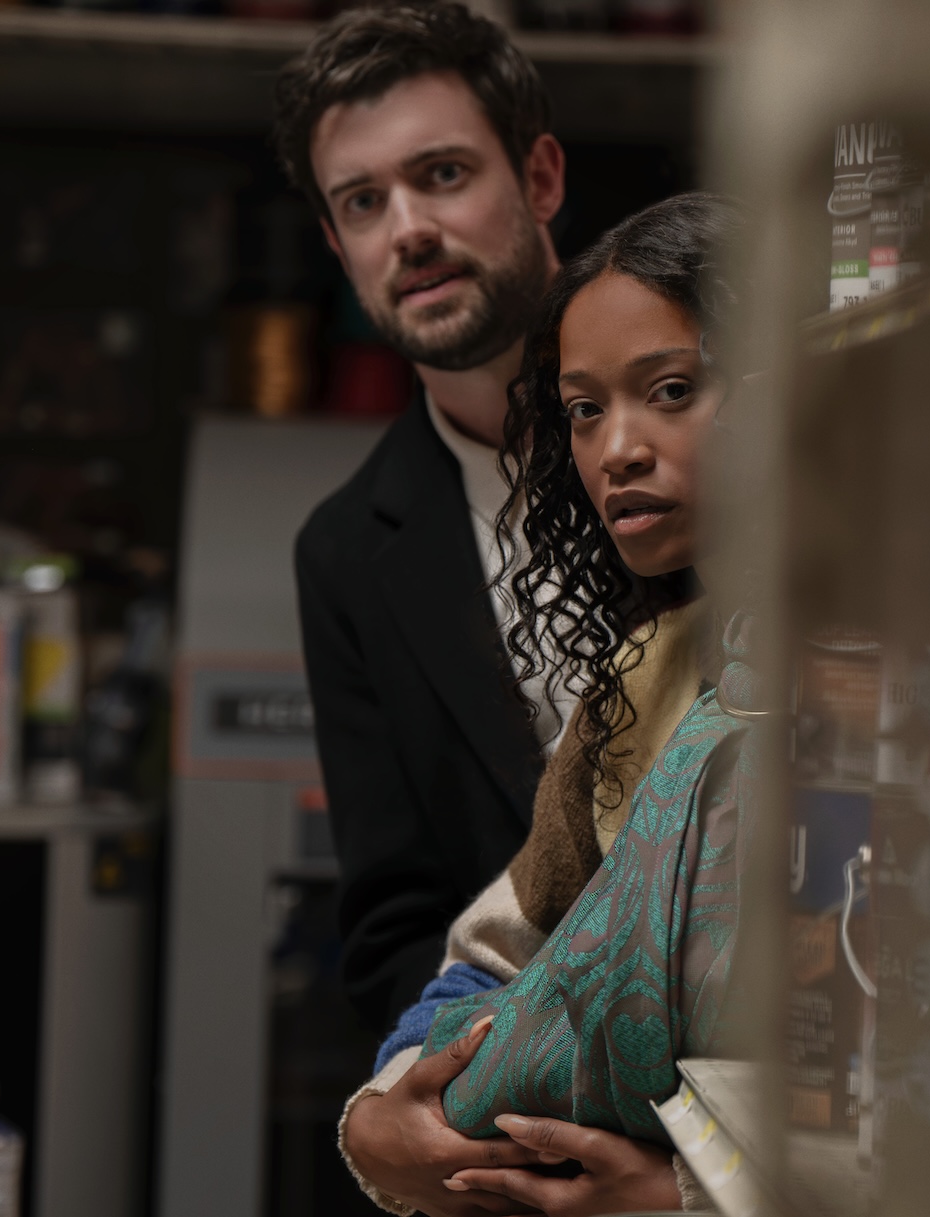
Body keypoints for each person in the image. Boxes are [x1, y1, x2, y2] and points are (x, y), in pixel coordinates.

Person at [339, 194, 753, 1217]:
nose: (618, 449)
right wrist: (380, 1116)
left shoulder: (913, 686)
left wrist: (687, 1199)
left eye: (670, 390)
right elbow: (492, 963)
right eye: (584, 408)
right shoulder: (642, 683)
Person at [279, 3, 577, 1039]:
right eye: (363, 201)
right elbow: (396, 920)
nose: (406, 227)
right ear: (337, 243)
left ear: (539, 179)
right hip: (530, 1106)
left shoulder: (712, 426)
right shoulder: (346, 552)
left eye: (442, 173)